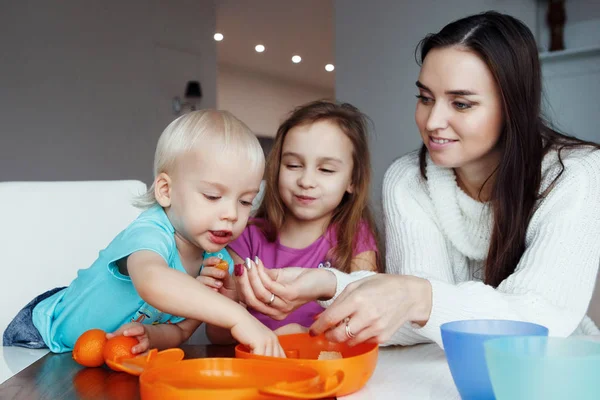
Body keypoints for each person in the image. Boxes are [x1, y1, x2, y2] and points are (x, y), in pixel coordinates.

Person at [233, 11, 600, 348]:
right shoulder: (408, 178)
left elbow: (541, 317)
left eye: (461, 104)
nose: (432, 121)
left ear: (513, 106)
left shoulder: (577, 173)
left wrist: (414, 296)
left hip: (551, 365)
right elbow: (414, 321)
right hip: (439, 367)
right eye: (425, 97)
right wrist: (329, 284)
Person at [3, 110, 285, 357]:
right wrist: (239, 318)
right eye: (212, 196)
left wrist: (228, 300)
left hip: (98, 359)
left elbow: (184, 333)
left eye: (246, 201)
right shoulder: (150, 232)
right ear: (166, 191)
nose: (232, 215)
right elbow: (153, 281)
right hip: (41, 338)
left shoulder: (216, 261)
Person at [202, 100, 382, 344]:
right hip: (257, 368)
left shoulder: (355, 236)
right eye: (293, 165)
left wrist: (306, 337)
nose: (306, 180)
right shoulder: (244, 236)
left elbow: (368, 316)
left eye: (326, 169)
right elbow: (218, 337)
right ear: (277, 169)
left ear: (353, 181)